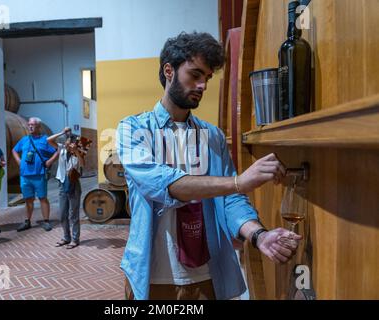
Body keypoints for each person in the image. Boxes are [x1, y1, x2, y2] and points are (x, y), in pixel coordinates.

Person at [117, 32, 302, 300]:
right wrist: (239, 181)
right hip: (152, 276)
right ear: (169, 71)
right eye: (195, 75)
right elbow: (162, 183)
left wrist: (258, 235)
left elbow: (230, 201)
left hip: (207, 275)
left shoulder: (212, 136)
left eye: (207, 78)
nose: (202, 85)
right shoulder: (133, 129)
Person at [12, 117, 58, 232]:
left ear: (39, 127)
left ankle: (46, 221)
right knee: (28, 199)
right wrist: (19, 162)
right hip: (25, 175)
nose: (30, 126)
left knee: (43, 198)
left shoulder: (45, 140)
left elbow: (58, 150)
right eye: (29, 125)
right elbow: (14, 150)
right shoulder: (24, 139)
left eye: (33, 125)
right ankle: (27, 221)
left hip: (39, 175)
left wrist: (49, 162)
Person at [47, 127, 85, 249]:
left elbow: (83, 165)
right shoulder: (61, 149)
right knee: (63, 214)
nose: (68, 143)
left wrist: (77, 152)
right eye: (67, 141)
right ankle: (66, 237)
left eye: (71, 142)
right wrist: (62, 132)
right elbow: (49, 140)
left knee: (73, 214)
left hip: (74, 185)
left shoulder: (78, 153)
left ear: (74, 143)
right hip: (62, 184)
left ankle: (75, 239)